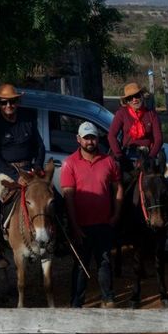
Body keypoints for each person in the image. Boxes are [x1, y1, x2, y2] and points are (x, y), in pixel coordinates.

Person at [61, 121, 123, 308]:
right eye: (86, 138)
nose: (90, 141)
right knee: (81, 264)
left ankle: (108, 297)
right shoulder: (70, 163)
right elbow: (68, 196)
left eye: (93, 137)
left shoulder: (108, 161)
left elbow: (117, 188)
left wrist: (116, 214)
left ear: (97, 139)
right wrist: (75, 225)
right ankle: (77, 302)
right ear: (78, 139)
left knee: (104, 261)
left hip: (104, 222)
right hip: (82, 225)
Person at [0, 83, 45, 265]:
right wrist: (14, 174)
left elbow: (39, 146)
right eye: (4, 103)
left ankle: (58, 241)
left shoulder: (27, 118)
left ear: (17, 101)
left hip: (29, 168)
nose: (8, 106)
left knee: (53, 199)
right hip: (4, 171)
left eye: (12, 102)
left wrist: (38, 166)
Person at [108, 82, 163, 172]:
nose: (134, 100)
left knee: (166, 180)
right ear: (127, 101)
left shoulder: (151, 114)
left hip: (148, 153)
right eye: (130, 98)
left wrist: (151, 156)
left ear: (142, 96)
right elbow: (111, 136)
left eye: (137, 96)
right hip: (128, 153)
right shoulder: (121, 113)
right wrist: (119, 156)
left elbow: (159, 139)